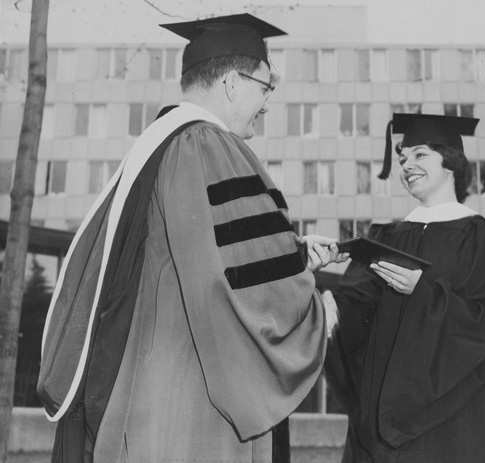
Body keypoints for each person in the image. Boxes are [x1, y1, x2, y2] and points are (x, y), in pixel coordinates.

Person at [37, 13, 346, 463]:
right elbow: (239, 283)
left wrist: (294, 254)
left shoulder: (158, 145)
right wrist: (319, 312)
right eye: (266, 87)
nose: (267, 104)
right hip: (194, 402)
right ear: (232, 84)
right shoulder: (206, 145)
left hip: (144, 393)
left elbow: (204, 251)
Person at [323, 113, 485, 462]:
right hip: (382, 429)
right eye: (402, 158)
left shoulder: (483, 239)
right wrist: (329, 312)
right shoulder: (383, 238)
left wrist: (425, 291)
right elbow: (354, 314)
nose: (406, 165)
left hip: (452, 425)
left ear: (451, 163)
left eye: (419, 155)